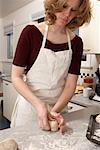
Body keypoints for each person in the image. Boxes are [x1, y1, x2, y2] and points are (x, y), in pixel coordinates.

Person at [11, 0, 91, 133]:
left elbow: (71, 85)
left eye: (73, 10)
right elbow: (16, 76)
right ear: (54, 3)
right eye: (64, 6)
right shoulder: (31, 33)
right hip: (29, 108)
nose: (67, 14)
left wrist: (54, 111)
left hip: (58, 111)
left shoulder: (76, 43)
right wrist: (40, 106)